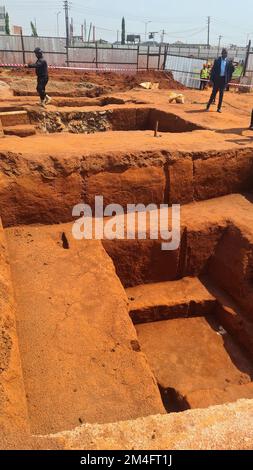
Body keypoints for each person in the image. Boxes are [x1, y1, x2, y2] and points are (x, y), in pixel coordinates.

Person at [206, 48, 234, 113]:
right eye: (224, 53)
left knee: (221, 95)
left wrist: (228, 80)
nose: (225, 55)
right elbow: (213, 70)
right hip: (217, 80)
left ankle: (219, 108)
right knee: (213, 94)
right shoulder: (217, 60)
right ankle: (208, 106)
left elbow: (231, 70)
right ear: (222, 53)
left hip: (223, 80)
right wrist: (211, 79)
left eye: (226, 53)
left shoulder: (228, 62)